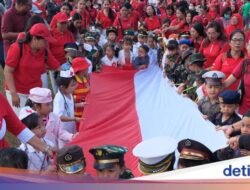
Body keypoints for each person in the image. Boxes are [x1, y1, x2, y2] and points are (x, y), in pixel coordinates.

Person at [4, 23, 60, 115]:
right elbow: (8, 71)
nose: (47, 43)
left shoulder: (44, 50)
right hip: (18, 91)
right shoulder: (17, 48)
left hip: (35, 92)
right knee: (23, 122)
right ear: (34, 38)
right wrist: (13, 94)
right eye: (45, 40)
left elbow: (56, 66)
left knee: (37, 121)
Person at [19, 106, 53, 171]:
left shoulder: (48, 143)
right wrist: (47, 172)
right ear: (27, 131)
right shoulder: (24, 152)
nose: (43, 129)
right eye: (39, 127)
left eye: (43, 125)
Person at [222, 40, 250, 115]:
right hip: (244, 109)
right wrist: (207, 88)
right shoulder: (245, 63)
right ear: (247, 47)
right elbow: (226, 83)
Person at [53, 68, 78, 148]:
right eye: (72, 85)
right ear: (63, 87)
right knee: (65, 150)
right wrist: (75, 119)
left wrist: (81, 104)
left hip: (71, 128)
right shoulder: (59, 99)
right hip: (63, 131)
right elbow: (59, 117)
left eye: (75, 84)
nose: (75, 87)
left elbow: (71, 105)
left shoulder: (69, 93)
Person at [71, 57, 90, 131]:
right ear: (82, 70)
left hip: (86, 113)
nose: (88, 68)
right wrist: (79, 99)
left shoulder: (86, 80)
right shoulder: (73, 82)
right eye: (86, 67)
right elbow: (69, 99)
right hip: (77, 115)